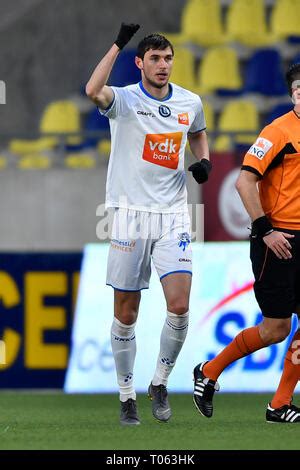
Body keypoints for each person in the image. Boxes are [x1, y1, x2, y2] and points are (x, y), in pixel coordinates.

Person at [86, 23, 211, 425]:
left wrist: (203, 158)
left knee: (179, 305)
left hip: (174, 214)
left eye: (168, 58)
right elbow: (92, 90)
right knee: (127, 311)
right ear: (139, 63)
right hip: (128, 215)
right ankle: (127, 395)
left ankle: (159, 382)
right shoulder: (123, 100)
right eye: (155, 58)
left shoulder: (190, 102)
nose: (163, 65)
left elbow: (198, 132)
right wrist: (117, 42)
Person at [192, 63, 300, 423]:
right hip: (277, 240)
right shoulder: (278, 132)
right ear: (291, 93)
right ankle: (209, 371)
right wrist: (266, 230)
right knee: (276, 329)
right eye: (297, 87)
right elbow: (243, 181)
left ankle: (280, 404)